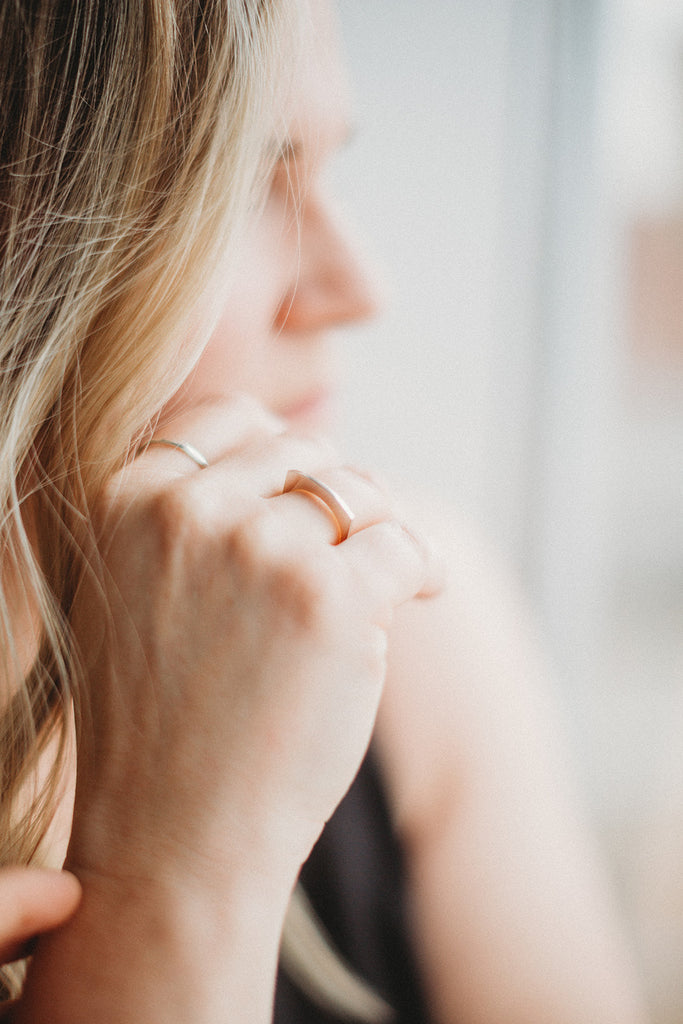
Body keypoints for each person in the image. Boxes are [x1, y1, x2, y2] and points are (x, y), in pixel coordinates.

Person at [0, 1, 648, 1021]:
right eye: (231, 194)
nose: (357, 287)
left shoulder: (415, 636)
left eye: (322, 169)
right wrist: (169, 892)